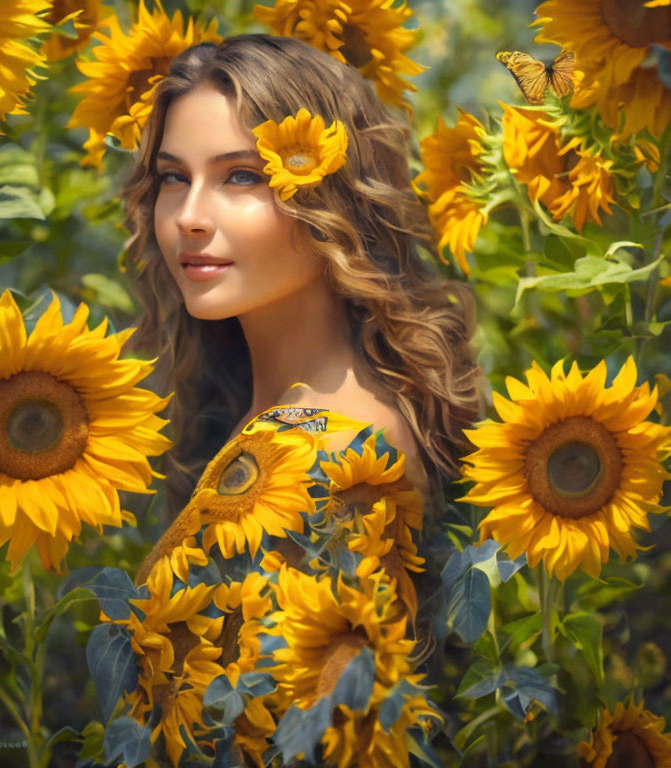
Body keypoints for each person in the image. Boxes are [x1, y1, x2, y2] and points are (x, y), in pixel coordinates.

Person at [112, 32, 480, 766]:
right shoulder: (300, 408)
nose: (189, 214)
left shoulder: (328, 448)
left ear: (328, 192)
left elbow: (310, 735)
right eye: (173, 178)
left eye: (241, 177)